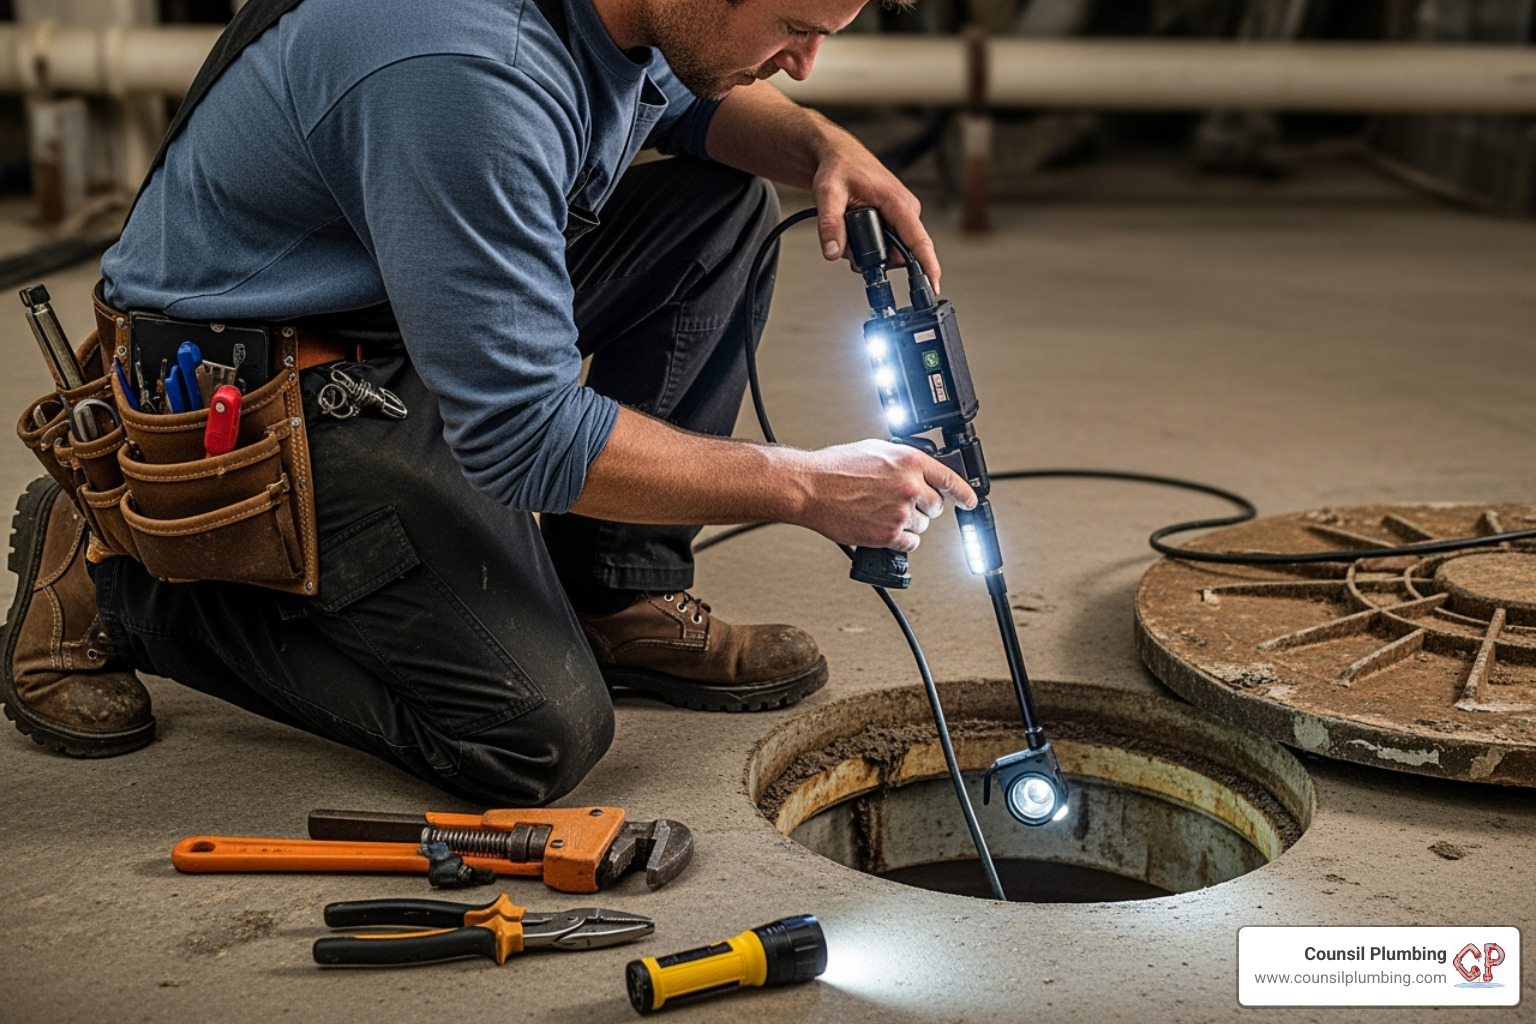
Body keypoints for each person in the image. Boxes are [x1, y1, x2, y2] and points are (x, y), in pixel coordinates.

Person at [0, 0, 975, 804]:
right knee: (532, 734)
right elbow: (522, 436)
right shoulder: (462, 66)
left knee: (721, 212)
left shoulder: (634, 15)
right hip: (262, 378)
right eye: (795, 28)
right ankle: (125, 573)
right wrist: (803, 486)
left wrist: (818, 148)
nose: (801, 64)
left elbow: (685, 102)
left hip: (391, 295)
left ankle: (617, 593)